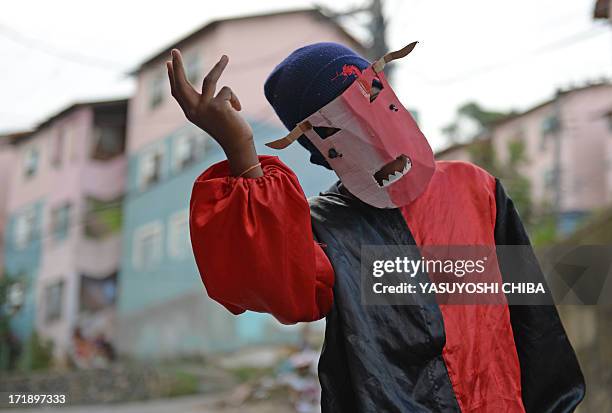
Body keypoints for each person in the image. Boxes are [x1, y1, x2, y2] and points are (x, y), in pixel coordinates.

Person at [166, 42, 585, 412]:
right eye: (334, 124)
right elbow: (274, 285)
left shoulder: (475, 189)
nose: (367, 129)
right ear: (315, 147)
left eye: (368, 96)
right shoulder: (326, 228)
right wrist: (240, 149)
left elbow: (531, 316)